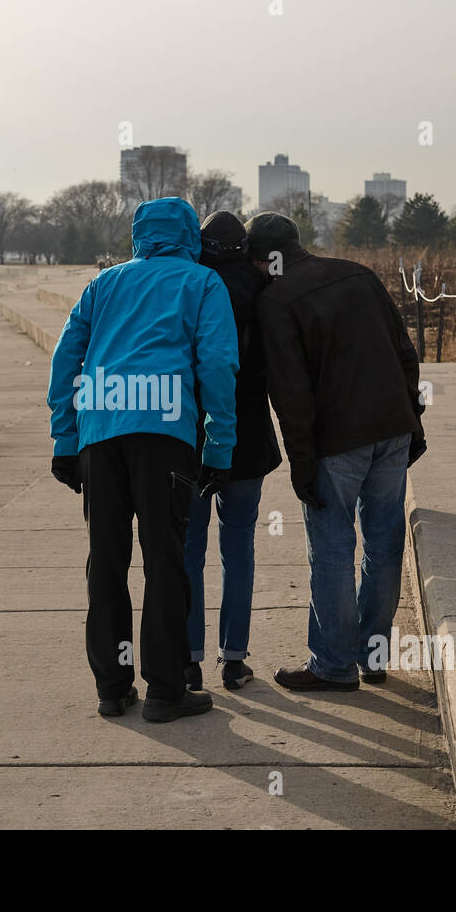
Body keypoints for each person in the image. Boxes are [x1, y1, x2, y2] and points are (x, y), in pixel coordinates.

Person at [48, 197, 239, 722]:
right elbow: (218, 364)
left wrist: (65, 439)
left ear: (138, 234)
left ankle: (112, 687)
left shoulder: (103, 285)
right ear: (188, 235)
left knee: (106, 561)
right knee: (164, 560)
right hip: (165, 435)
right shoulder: (202, 283)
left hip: (101, 430)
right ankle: (165, 690)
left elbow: (66, 358)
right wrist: (219, 447)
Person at [248, 212, 426, 692]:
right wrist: (415, 422)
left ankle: (333, 665)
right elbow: (405, 354)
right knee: (384, 544)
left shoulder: (275, 301)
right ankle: (373, 656)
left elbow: (291, 395)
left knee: (331, 549)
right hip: (392, 429)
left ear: (268, 260)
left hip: (336, 442)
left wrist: (302, 465)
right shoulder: (360, 274)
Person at [182, 212, 282, 693]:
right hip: (247, 437)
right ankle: (234, 659)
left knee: (188, 551)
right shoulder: (263, 289)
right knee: (238, 548)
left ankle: (189, 659)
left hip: (193, 436)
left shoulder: (192, 284)